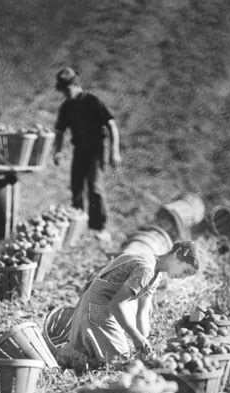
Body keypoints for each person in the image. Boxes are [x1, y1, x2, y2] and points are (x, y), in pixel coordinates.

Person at [59, 240, 200, 368]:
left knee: (124, 357)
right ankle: (70, 356)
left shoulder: (157, 274)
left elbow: (143, 312)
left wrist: (144, 340)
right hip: (95, 309)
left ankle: (82, 356)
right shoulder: (147, 268)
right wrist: (135, 336)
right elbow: (116, 305)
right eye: (185, 271)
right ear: (177, 256)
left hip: (106, 310)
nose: (183, 277)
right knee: (120, 363)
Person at [52, 67, 121, 235]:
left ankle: (99, 228)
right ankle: (77, 229)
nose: (66, 93)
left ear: (76, 85)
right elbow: (60, 131)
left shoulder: (92, 101)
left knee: (95, 188)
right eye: (63, 90)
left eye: (67, 89)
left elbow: (111, 125)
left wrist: (115, 152)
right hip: (79, 150)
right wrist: (58, 151)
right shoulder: (66, 107)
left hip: (96, 151)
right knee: (76, 188)